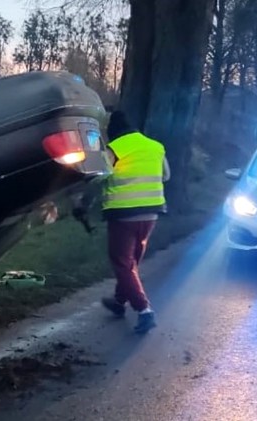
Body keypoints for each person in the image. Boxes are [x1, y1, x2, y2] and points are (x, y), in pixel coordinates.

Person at [96, 110, 169, 334]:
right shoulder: (155, 146)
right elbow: (166, 175)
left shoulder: (114, 148)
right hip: (151, 213)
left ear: (113, 131)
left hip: (123, 214)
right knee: (131, 262)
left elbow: (99, 175)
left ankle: (144, 310)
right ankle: (119, 302)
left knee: (122, 262)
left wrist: (82, 202)